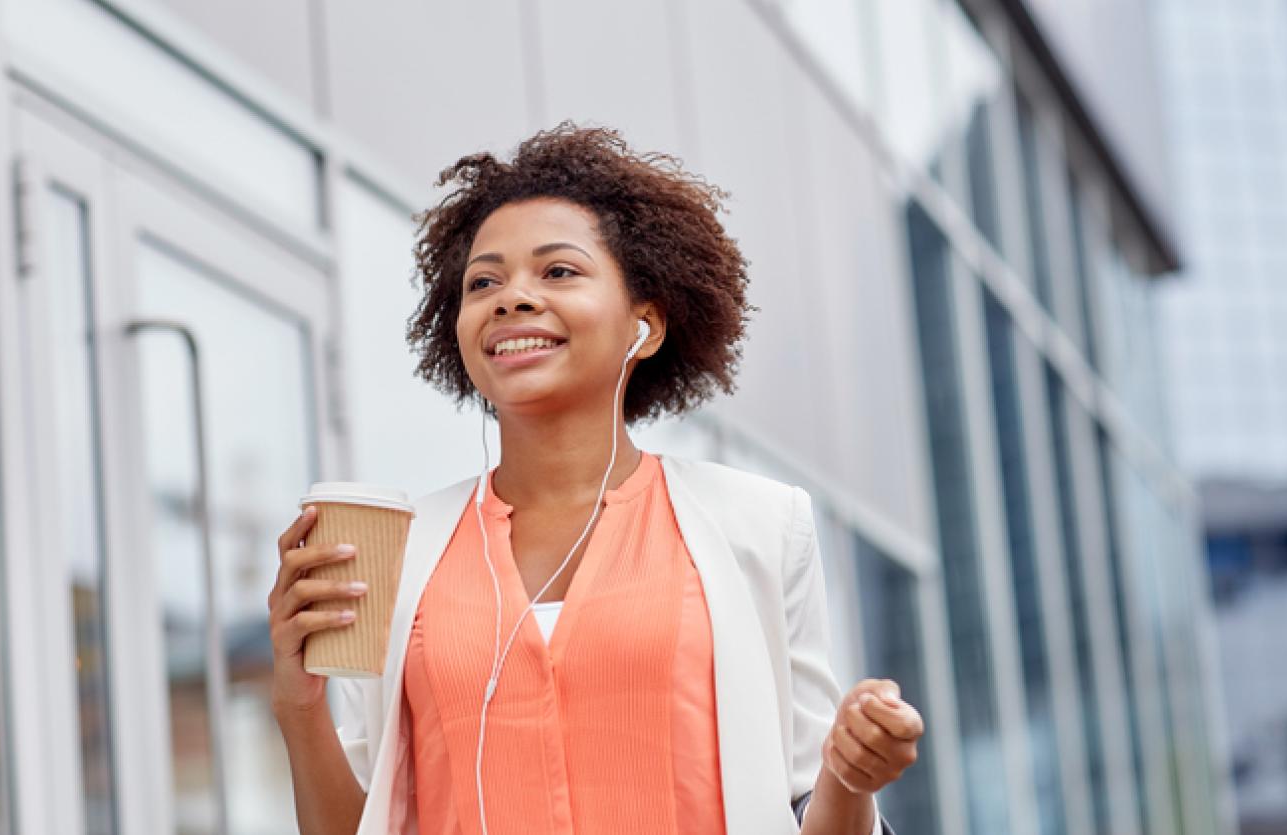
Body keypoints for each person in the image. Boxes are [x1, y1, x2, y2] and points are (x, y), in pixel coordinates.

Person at [268, 122, 924, 835]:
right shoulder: (404, 549)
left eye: (558, 271)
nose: (512, 297)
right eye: (483, 281)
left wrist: (849, 775)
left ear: (645, 324)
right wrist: (299, 705)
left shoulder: (761, 526)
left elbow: (808, 804)